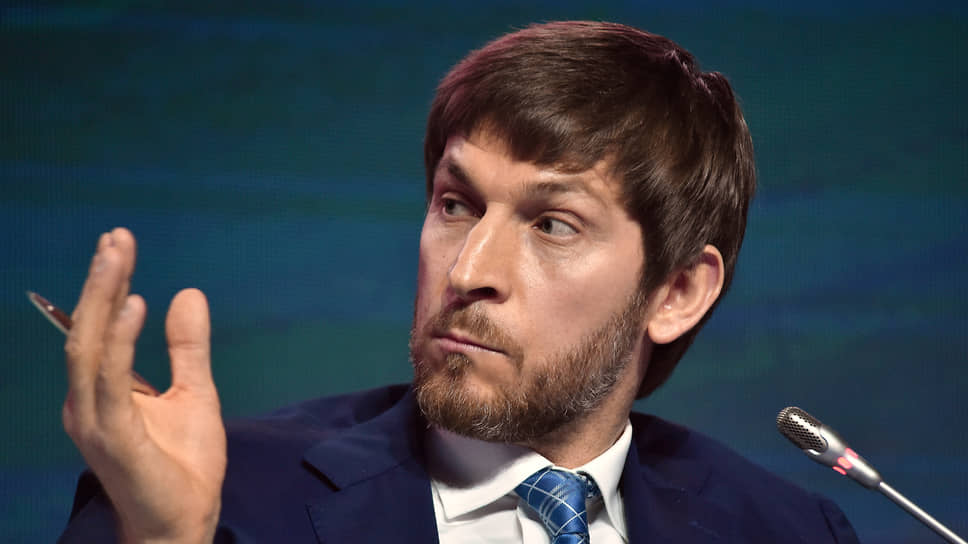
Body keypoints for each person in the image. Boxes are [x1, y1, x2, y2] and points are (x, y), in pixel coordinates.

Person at [57, 21, 859, 543]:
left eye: (553, 224)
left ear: (677, 293)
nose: (468, 270)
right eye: (456, 204)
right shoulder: (218, 498)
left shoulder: (788, 531)